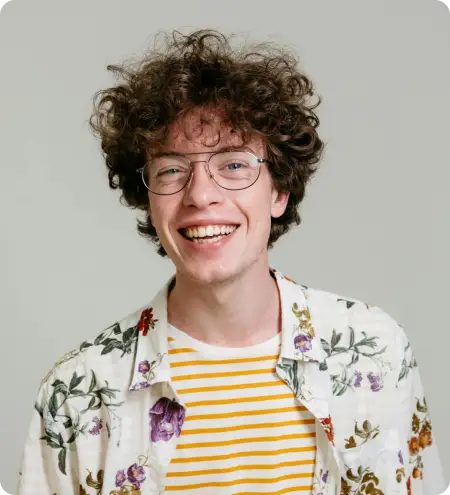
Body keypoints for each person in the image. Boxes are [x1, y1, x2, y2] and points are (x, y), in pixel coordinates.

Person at [18, 29, 444, 495]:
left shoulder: (377, 352)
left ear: (279, 190)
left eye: (234, 164)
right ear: (148, 200)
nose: (201, 195)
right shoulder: (78, 393)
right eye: (172, 169)